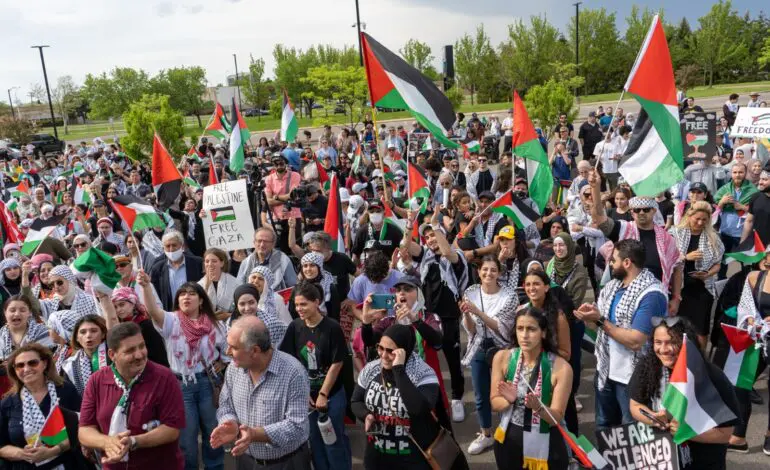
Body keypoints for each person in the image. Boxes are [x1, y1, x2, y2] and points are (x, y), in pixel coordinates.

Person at [137, 271, 226, 470]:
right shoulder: (171, 321)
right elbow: (153, 310)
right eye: (182, 294)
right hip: (181, 386)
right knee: (186, 438)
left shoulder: (214, 324)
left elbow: (228, 350)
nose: (186, 297)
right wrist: (145, 286)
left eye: (192, 294)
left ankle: (215, 466)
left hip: (208, 384)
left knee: (214, 432)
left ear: (201, 300)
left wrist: (222, 362)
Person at [574, 239, 667, 429]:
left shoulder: (652, 295)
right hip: (605, 370)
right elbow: (600, 326)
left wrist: (600, 320)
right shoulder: (612, 287)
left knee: (631, 431)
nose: (610, 264)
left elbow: (636, 341)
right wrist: (590, 316)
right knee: (604, 427)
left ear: (627, 262)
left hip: (632, 377)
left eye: (613, 260)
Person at [351, 324, 469, 470]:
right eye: (380, 348)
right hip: (377, 456)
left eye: (390, 351)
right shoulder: (372, 368)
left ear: (404, 351)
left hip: (414, 458)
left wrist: (398, 370)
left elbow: (419, 410)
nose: (383, 355)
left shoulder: (423, 374)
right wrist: (366, 415)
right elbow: (356, 400)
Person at [629, 317, 740, 469]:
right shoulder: (647, 366)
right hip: (661, 458)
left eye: (671, 342)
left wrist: (687, 432)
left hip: (703, 462)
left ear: (686, 344)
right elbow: (635, 405)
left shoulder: (713, 378)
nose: (663, 350)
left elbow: (725, 434)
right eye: (658, 342)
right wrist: (653, 418)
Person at [79, 322, 186, 469]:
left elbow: (172, 428)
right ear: (112, 355)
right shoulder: (96, 381)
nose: (139, 355)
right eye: (130, 351)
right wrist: (107, 442)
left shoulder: (164, 378)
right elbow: (85, 430)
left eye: (142, 346)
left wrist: (134, 442)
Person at [210, 316, 312, 469]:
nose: (227, 351)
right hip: (245, 461)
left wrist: (254, 434)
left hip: (286, 463)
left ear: (255, 351)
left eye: (234, 347)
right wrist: (230, 423)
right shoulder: (234, 368)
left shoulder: (293, 373)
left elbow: (297, 426)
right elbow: (225, 405)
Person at [490, 307, 572, 470]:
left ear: (543, 333)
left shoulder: (561, 368)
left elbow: (556, 417)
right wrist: (508, 400)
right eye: (520, 329)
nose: (524, 335)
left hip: (546, 443)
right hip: (509, 441)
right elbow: (494, 402)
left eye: (531, 329)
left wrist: (539, 408)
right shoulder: (502, 357)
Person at [279, 283, 351, 470]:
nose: (299, 309)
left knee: (333, 440)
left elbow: (337, 363)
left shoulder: (332, 327)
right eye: (296, 305)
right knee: (315, 442)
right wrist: (303, 393)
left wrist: (323, 394)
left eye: (304, 304)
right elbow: (290, 361)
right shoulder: (295, 327)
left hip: (332, 395)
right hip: (307, 398)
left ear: (317, 302)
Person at [402, 221, 468, 423]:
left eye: (434, 235)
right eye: (428, 236)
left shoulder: (456, 256)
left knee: (452, 359)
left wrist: (435, 225)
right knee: (423, 357)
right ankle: (425, 395)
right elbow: (407, 245)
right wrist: (409, 225)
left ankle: (457, 398)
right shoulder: (426, 257)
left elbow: (447, 252)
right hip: (427, 316)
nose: (431, 239)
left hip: (448, 316)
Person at [589, 172, 683, 310]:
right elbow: (598, 217)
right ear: (632, 213)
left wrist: (676, 298)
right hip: (624, 298)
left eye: (646, 209)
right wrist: (595, 188)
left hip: (655, 298)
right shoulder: (623, 230)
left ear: (654, 211)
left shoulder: (667, 239)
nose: (641, 213)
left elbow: (677, 267)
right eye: (637, 210)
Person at [458, 256, 518, 455]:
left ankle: (506, 431)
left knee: (504, 392)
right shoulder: (471, 292)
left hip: (502, 349)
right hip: (478, 347)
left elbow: (502, 327)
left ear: (499, 273)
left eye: (493, 270)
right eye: (485, 269)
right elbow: (470, 329)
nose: (488, 274)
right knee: (480, 394)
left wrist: (478, 312)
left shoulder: (509, 296)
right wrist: (467, 314)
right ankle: (486, 433)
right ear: (479, 271)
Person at [0, 343, 83, 470]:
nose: (26, 369)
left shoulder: (65, 390)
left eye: (32, 363)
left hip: (67, 464)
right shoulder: (7, 403)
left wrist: (53, 451)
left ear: (44, 364)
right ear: (14, 370)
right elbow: (1, 445)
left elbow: (83, 428)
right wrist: (23, 454)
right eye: (20, 365)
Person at [669, 202, 724, 347]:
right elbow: (666, 259)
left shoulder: (713, 238)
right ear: (689, 216)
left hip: (702, 288)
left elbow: (718, 264)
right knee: (676, 328)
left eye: (704, 220)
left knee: (701, 329)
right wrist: (686, 257)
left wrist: (707, 274)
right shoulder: (675, 234)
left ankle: (700, 357)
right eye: (697, 219)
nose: (700, 223)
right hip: (678, 288)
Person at [715, 163, 757, 279]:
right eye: (735, 172)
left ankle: (747, 282)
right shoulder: (724, 189)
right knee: (723, 260)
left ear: (745, 173)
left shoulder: (753, 190)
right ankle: (721, 281)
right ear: (731, 174)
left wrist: (742, 207)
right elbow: (715, 208)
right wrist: (722, 202)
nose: (737, 175)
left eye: (740, 172)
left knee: (745, 261)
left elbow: (758, 208)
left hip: (743, 233)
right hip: (726, 231)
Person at [148, 231, 205, 312]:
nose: (171, 249)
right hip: (171, 314)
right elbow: (156, 294)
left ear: (182, 246)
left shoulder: (197, 263)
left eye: (174, 245)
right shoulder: (157, 268)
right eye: (168, 246)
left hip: (195, 311)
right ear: (163, 248)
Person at [198, 248, 238, 315]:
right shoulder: (199, 284)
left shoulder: (234, 282)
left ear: (222, 263)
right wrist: (206, 287)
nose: (210, 264)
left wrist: (227, 315)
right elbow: (197, 307)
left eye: (214, 261)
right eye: (207, 261)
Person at [741, 168, 770, 247]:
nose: (760, 182)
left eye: (765, 179)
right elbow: (749, 221)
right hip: (754, 245)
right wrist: (742, 243)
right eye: (760, 179)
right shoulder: (756, 197)